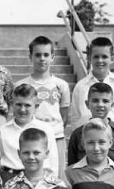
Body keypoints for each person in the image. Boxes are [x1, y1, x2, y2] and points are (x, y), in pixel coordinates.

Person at [17, 35, 71, 176]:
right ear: (31, 57)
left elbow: (64, 116)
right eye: (38, 55)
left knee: (57, 176)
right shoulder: (22, 85)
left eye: (46, 55)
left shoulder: (61, 85)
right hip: (32, 140)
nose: (42, 58)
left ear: (52, 57)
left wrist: (53, 132)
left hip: (56, 137)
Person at [0, 83, 60, 180]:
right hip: (9, 179)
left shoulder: (45, 129)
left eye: (27, 105)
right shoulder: (1, 131)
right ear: (12, 104)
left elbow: (53, 163)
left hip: (39, 179)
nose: (22, 109)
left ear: (36, 106)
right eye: (18, 104)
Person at [67, 82, 114, 173]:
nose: (100, 105)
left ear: (112, 105)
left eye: (105, 101)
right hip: (84, 182)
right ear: (87, 104)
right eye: (95, 100)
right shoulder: (78, 134)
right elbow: (72, 168)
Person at [70, 36, 114, 130]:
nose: (100, 60)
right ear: (89, 58)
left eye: (104, 56)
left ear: (112, 59)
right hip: (88, 138)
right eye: (96, 57)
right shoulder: (81, 87)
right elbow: (75, 118)